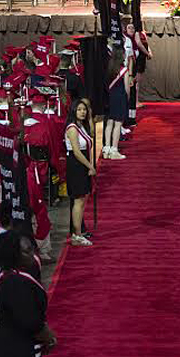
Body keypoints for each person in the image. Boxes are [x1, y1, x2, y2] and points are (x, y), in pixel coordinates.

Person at [64, 98, 95, 246]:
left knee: (82, 200)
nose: (83, 112)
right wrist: (90, 166)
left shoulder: (82, 125)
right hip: (76, 165)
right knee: (78, 200)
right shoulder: (72, 128)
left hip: (83, 163)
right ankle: (76, 234)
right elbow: (76, 151)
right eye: (79, 110)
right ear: (74, 111)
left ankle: (79, 231)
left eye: (84, 109)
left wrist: (89, 119)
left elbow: (92, 136)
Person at [103, 47, 128, 160]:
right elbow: (127, 88)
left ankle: (106, 148)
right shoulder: (124, 70)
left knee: (109, 123)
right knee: (117, 124)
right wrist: (126, 98)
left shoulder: (108, 68)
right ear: (121, 56)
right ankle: (114, 150)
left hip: (109, 98)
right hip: (120, 98)